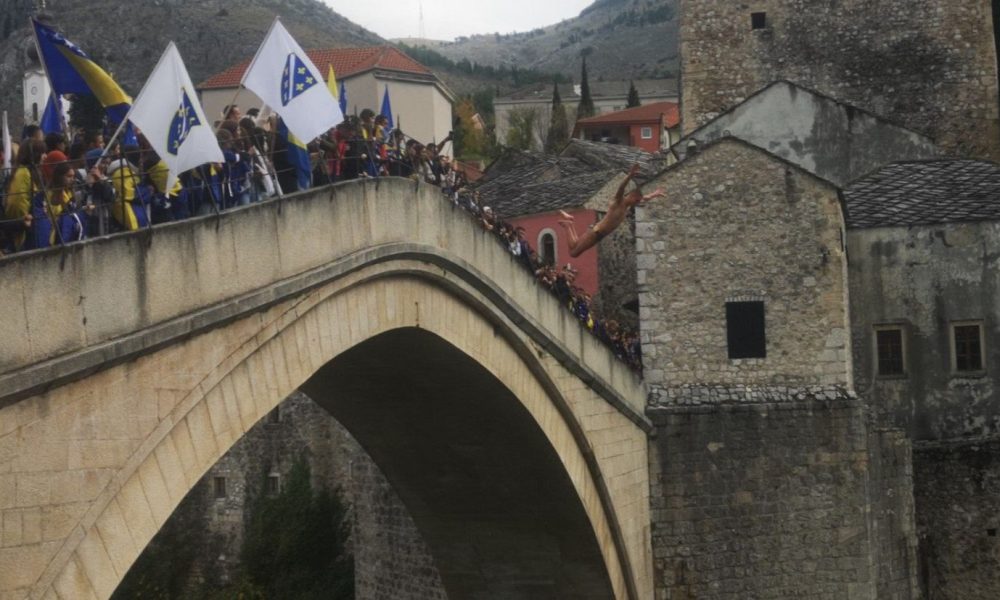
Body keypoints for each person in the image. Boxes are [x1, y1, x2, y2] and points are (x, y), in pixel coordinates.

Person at [557, 163, 664, 257]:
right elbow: (621, 188)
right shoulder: (619, 202)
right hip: (595, 232)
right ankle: (568, 225)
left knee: (575, 246)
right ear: (631, 196)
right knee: (573, 253)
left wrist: (654, 194)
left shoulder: (627, 206)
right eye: (636, 200)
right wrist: (630, 175)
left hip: (598, 234)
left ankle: (570, 223)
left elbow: (644, 198)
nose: (637, 203)